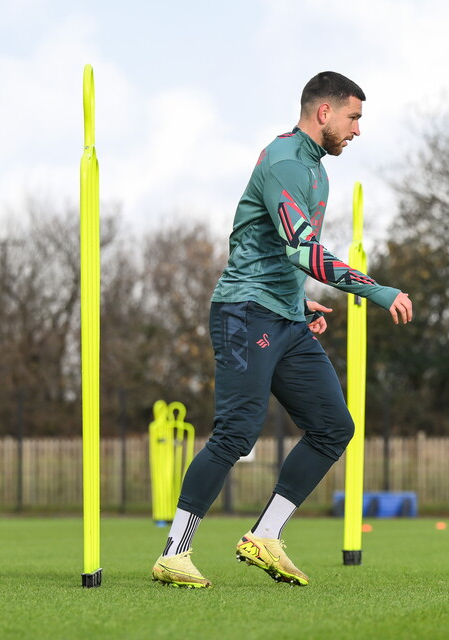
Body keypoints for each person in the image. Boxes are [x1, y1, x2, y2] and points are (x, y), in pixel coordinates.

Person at [152, 72, 413, 588]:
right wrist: (378, 290)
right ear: (324, 112)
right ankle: (173, 552)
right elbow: (302, 249)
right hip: (244, 312)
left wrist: (302, 302)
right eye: (354, 117)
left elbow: (284, 255)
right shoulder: (287, 163)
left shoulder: (316, 171)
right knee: (237, 431)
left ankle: (265, 537)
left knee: (334, 426)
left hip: (287, 317)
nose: (358, 130)